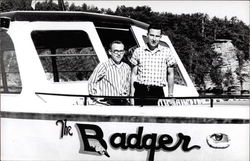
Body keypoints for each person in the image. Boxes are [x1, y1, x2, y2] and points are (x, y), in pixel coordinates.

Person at [130, 24, 176, 106]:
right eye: (151, 35)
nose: (154, 39)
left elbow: (170, 74)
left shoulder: (167, 52)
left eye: (157, 36)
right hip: (140, 91)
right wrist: (131, 96)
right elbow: (133, 75)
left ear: (160, 37)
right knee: (139, 118)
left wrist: (170, 95)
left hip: (158, 92)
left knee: (157, 117)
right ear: (147, 35)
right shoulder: (138, 51)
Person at [88, 40, 131, 105]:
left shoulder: (127, 67)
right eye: (116, 51)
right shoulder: (104, 66)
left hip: (123, 103)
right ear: (110, 52)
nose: (119, 54)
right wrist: (96, 99)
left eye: (121, 51)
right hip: (108, 103)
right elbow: (92, 82)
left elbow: (128, 85)